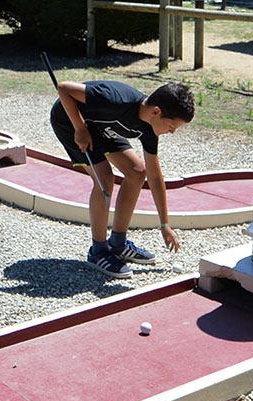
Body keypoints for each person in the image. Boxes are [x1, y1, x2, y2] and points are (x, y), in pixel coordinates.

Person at [51, 78, 195, 278]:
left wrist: (164, 224)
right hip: (71, 122)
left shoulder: (149, 128)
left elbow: (154, 175)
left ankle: (118, 244)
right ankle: (98, 251)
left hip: (103, 127)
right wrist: (80, 128)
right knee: (105, 179)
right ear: (156, 112)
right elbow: (64, 88)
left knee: (137, 171)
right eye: (171, 126)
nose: (172, 132)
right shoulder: (114, 99)